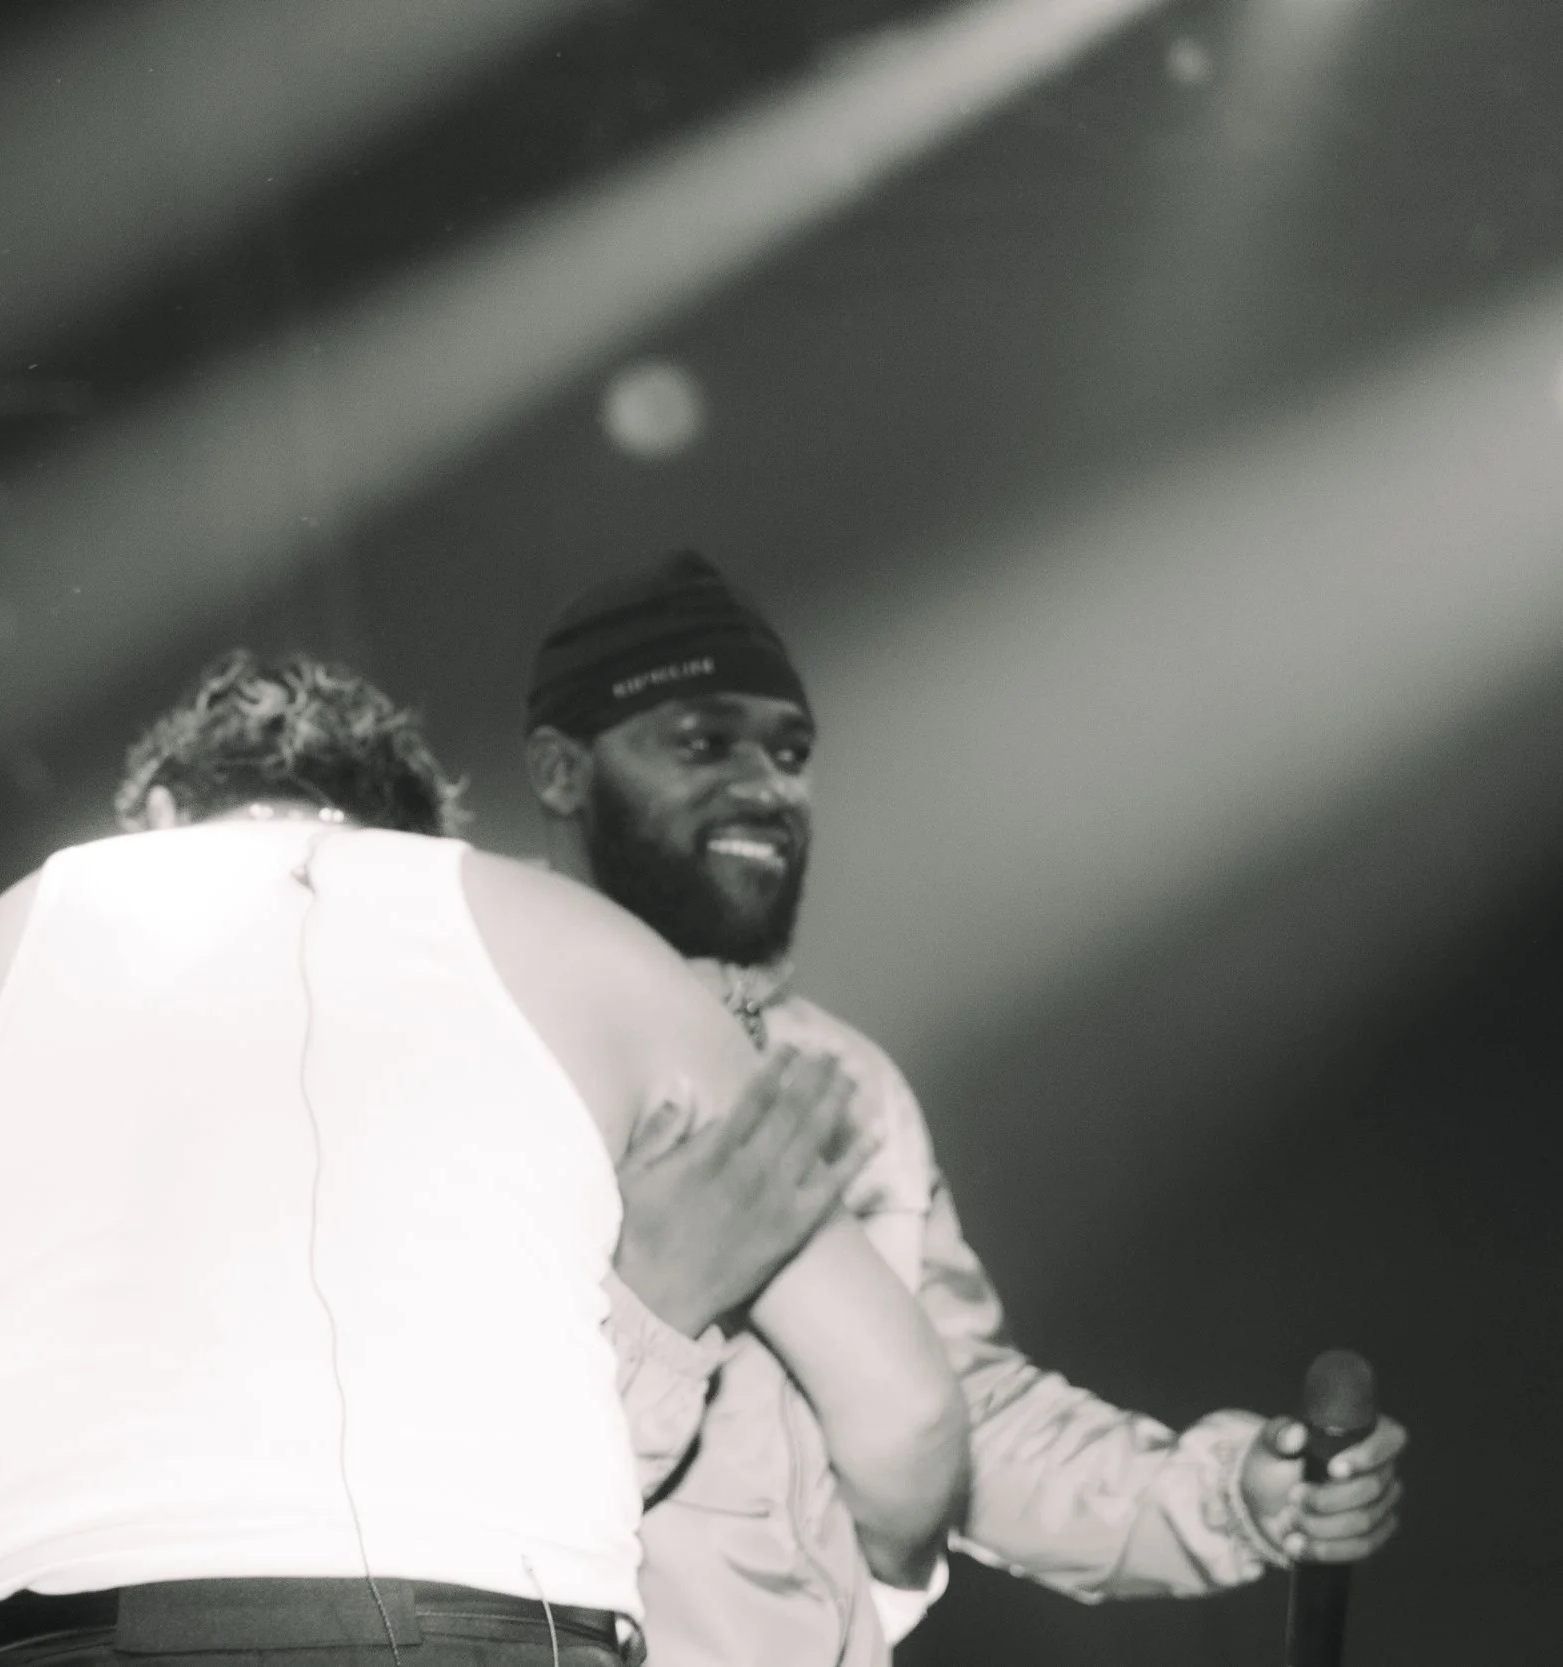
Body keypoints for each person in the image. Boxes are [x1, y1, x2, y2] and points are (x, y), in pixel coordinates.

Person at [0, 651, 963, 1667]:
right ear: (419, 838)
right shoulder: (574, 936)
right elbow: (907, 1411)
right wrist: (873, 1598)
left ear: (152, 818)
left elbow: (7, 1343)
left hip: (51, 1626)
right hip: (482, 1620)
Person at [522, 551, 1411, 1665]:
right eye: (701, 741)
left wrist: (1230, 1494)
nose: (763, 784)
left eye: (788, 751)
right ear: (561, 769)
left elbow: (961, 1420)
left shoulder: (840, 1076)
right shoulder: (483, 1038)